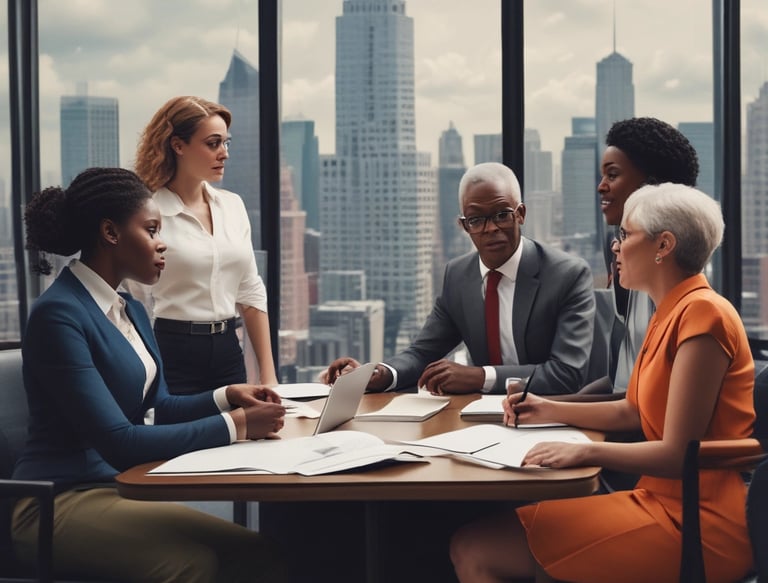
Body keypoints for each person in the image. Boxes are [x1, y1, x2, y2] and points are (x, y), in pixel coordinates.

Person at [450, 183, 755, 583]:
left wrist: (584, 453)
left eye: (625, 235)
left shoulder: (703, 316)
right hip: (660, 501)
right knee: (477, 539)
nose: (616, 247)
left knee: (476, 549)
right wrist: (548, 408)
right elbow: (634, 409)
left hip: (698, 521)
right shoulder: (673, 310)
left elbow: (678, 453)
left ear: (663, 245)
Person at [12, 167, 287, 582]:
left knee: (255, 552)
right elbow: (120, 441)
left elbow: (157, 408)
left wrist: (226, 396)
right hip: (56, 501)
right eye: (152, 229)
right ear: (111, 232)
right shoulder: (59, 315)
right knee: (192, 565)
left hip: (112, 488)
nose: (163, 245)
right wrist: (237, 426)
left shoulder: (133, 311)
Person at [323, 162, 596, 396]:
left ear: (521, 214)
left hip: (553, 416)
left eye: (502, 215)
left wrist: (479, 377)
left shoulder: (567, 275)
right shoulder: (458, 275)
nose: (490, 229)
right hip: (481, 419)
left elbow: (566, 374)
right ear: (464, 225)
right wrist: (380, 373)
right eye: (476, 220)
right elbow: (422, 352)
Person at [131, 95, 278, 395]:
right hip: (173, 353)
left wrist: (268, 375)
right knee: (188, 439)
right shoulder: (148, 211)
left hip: (228, 351)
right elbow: (131, 298)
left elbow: (250, 292)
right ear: (178, 145)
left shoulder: (233, 206)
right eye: (213, 143)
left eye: (226, 143)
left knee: (242, 439)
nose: (223, 153)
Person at [598, 117, 699, 389]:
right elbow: (619, 382)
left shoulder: (672, 278)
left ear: (650, 188)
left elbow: (638, 406)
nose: (601, 186)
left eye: (612, 175)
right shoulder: (632, 266)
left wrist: (550, 408)